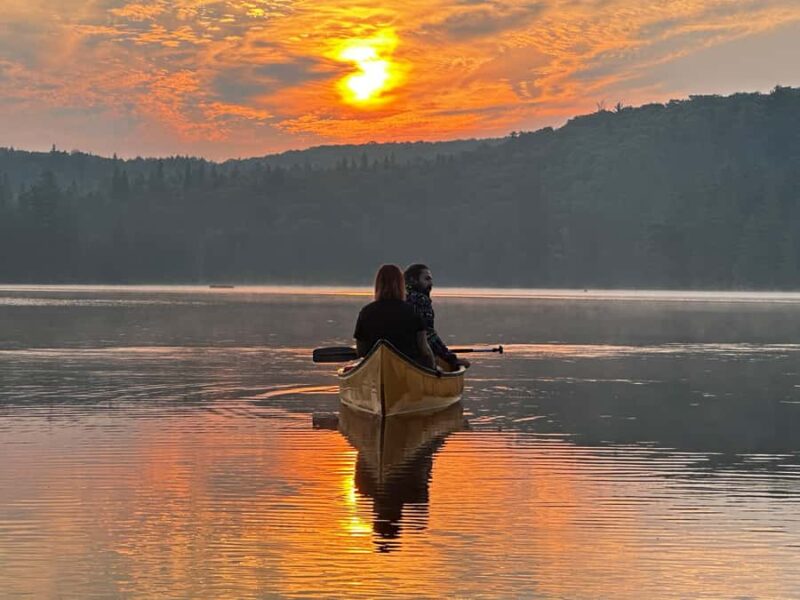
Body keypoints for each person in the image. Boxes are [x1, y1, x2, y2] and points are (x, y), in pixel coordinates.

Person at [354, 264, 436, 369]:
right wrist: (435, 368)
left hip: (375, 367)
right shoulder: (413, 312)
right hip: (410, 367)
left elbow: (361, 351)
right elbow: (424, 349)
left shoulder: (365, 312)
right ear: (401, 284)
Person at [404, 263, 470, 370]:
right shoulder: (421, 300)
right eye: (427, 279)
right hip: (417, 358)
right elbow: (429, 336)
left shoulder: (399, 297)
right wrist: (452, 359)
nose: (431, 283)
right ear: (413, 280)